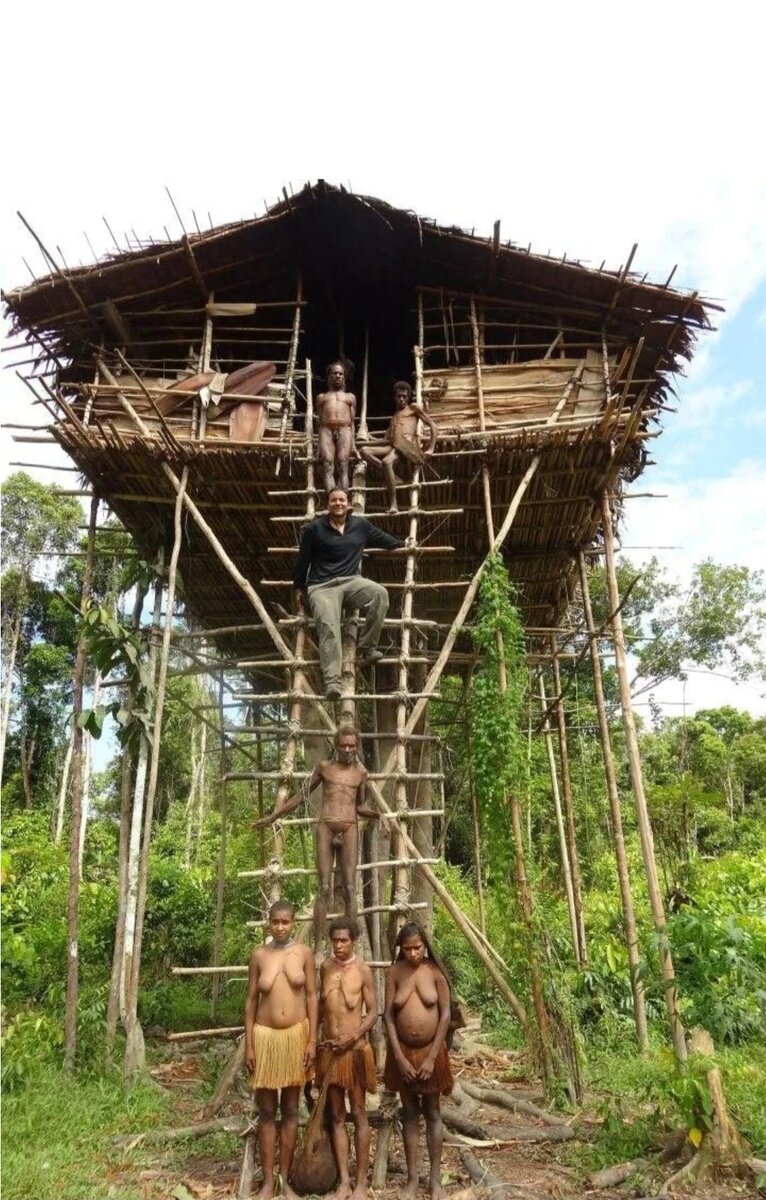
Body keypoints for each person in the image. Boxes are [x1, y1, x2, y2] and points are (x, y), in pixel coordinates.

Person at [253, 727, 381, 949]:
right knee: (323, 887)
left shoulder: (361, 774)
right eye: (343, 745)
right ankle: (319, 947)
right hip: (327, 826)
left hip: (349, 826)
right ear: (336, 745)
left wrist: (381, 816)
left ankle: (351, 943)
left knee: (351, 889)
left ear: (356, 746)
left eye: (352, 745)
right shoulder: (324, 768)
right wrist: (273, 816)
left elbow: (360, 806)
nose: (348, 749)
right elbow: (301, 796)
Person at [293, 487, 409, 699]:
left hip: (351, 581)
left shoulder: (360, 525)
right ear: (327, 505)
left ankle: (367, 648)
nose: (338, 503)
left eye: (342, 500)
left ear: (348, 505)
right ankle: (332, 683)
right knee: (329, 627)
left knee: (380, 594)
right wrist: (300, 589)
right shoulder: (314, 529)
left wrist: (402, 543)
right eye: (333, 500)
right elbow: (303, 561)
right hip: (322, 587)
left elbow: (382, 538)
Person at [244, 901, 318, 1200]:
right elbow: (250, 1000)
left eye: (285, 922)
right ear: (268, 923)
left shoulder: (303, 954)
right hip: (265, 1038)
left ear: (293, 922)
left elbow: (313, 996)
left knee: (290, 1110)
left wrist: (312, 1040)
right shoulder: (259, 956)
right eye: (275, 922)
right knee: (266, 1111)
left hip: (295, 1038)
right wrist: (249, 1043)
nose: (280, 927)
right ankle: (266, 1183)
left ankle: (284, 1180)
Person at [383, 922, 454, 1200]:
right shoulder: (394, 973)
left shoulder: (435, 972)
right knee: (410, 1114)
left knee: (433, 1113)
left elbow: (446, 1015)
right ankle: (412, 1180)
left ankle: (435, 1181)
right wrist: (398, 1057)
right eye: (408, 948)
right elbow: (388, 1016)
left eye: (418, 948)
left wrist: (432, 1058)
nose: (413, 953)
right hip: (403, 1054)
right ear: (400, 948)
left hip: (431, 1054)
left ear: (425, 946)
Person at [317, 919, 378, 1200]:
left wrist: (353, 1037)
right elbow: (321, 1007)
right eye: (335, 941)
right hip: (330, 1052)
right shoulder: (325, 968)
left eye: (344, 940)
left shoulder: (363, 970)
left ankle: (361, 1182)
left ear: (353, 940)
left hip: (354, 1052)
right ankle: (343, 1181)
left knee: (359, 1112)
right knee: (337, 1116)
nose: (339, 945)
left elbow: (373, 1012)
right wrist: (312, 1043)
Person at [358, 381, 438, 512]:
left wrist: (431, 448)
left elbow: (434, 427)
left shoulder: (413, 408)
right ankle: (394, 477)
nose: (401, 399)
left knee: (386, 461)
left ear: (408, 397)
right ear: (394, 397)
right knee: (363, 451)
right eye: (399, 396)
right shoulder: (394, 417)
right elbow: (385, 440)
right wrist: (368, 437)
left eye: (404, 396)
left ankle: (393, 504)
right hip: (394, 446)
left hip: (407, 446)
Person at [316, 361, 357, 494]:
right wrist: (318, 446)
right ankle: (331, 500)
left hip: (345, 429)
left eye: (341, 374)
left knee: (343, 464)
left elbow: (352, 422)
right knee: (327, 465)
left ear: (344, 377)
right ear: (329, 377)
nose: (338, 375)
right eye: (335, 373)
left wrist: (354, 444)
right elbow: (320, 421)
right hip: (326, 430)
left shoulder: (350, 397)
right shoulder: (321, 397)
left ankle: (343, 499)